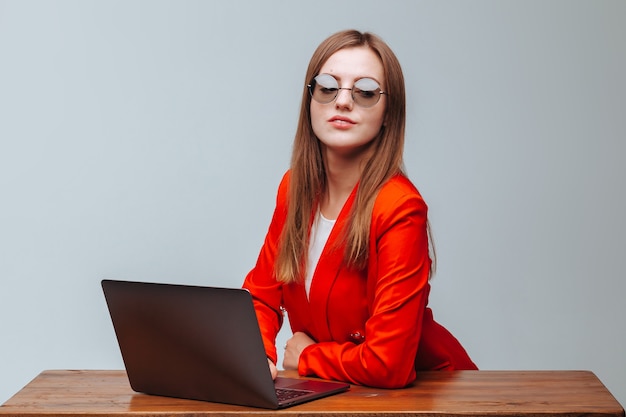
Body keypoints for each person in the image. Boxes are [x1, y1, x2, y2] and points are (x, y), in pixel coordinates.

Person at [242, 29, 477, 389]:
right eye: (327, 87)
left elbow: (387, 365)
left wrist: (307, 356)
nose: (342, 101)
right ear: (310, 100)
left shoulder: (399, 207)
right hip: (344, 390)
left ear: (388, 113)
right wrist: (258, 357)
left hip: (433, 397)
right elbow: (261, 293)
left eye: (366, 92)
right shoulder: (295, 188)